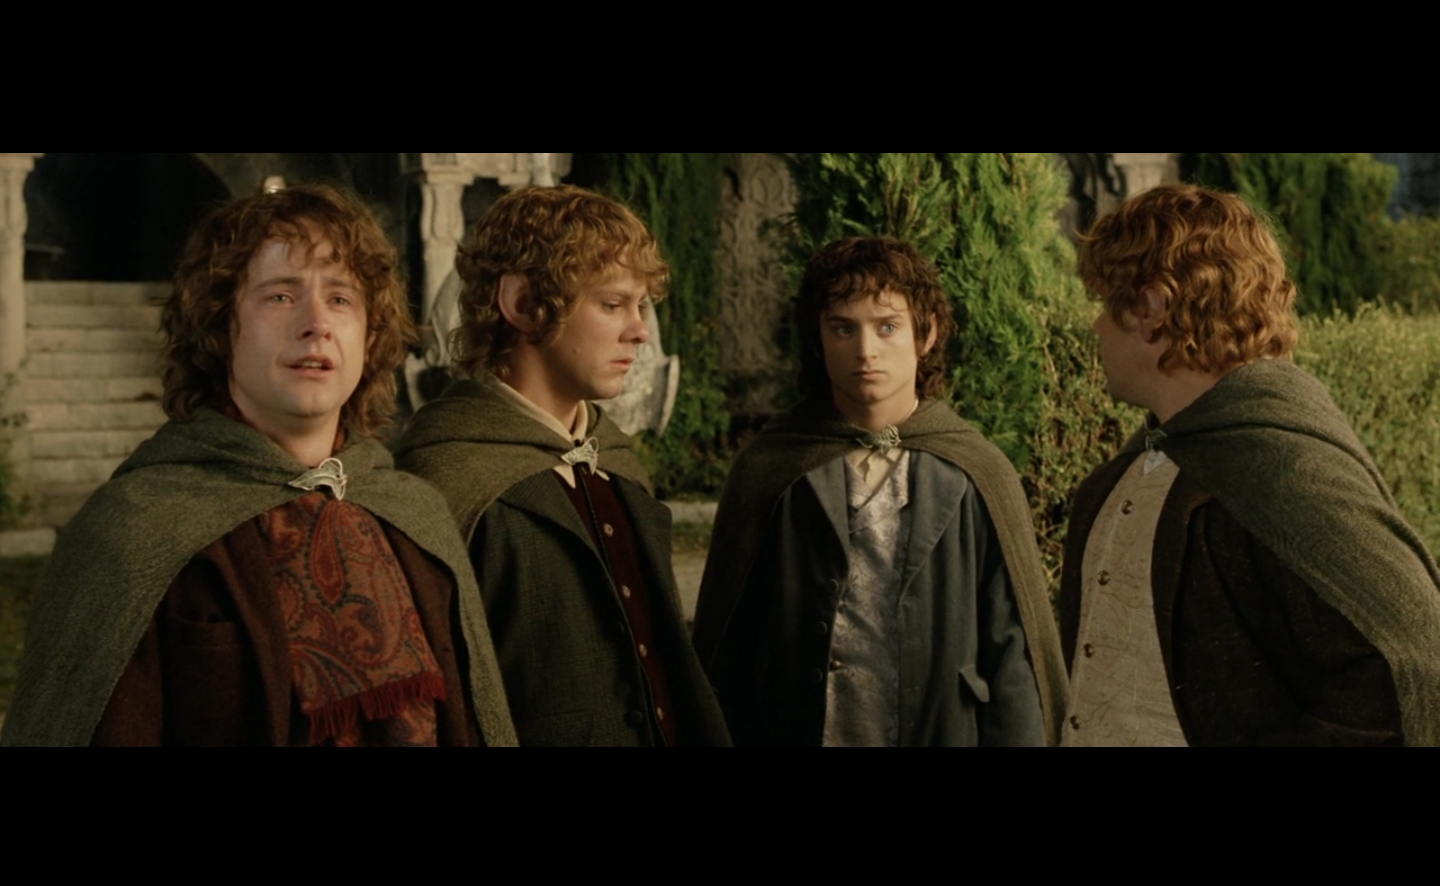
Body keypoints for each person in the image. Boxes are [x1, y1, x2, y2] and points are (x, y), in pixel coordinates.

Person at [1, 186, 516, 747]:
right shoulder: (133, 530)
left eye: (340, 299)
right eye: (280, 296)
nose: (316, 323)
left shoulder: (414, 516)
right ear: (220, 327)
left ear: (369, 337)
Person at [1063, 184, 1440, 747]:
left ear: (1153, 309)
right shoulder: (1142, 465)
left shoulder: (1285, 470)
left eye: (1103, 303)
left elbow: (1418, 660)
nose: (1096, 326)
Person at [691, 236, 1066, 747]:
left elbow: (1012, 649)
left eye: (887, 327)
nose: (865, 351)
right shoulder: (773, 466)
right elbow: (727, 645)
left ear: (926, 334)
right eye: (843, 328)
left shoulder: (975, 470)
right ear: (818, 339)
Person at [395, 185, 729, 747]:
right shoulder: (443, 484)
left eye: (641, 306)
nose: (640, 330)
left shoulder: (615, 461)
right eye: (612, 304)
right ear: (522, 303)